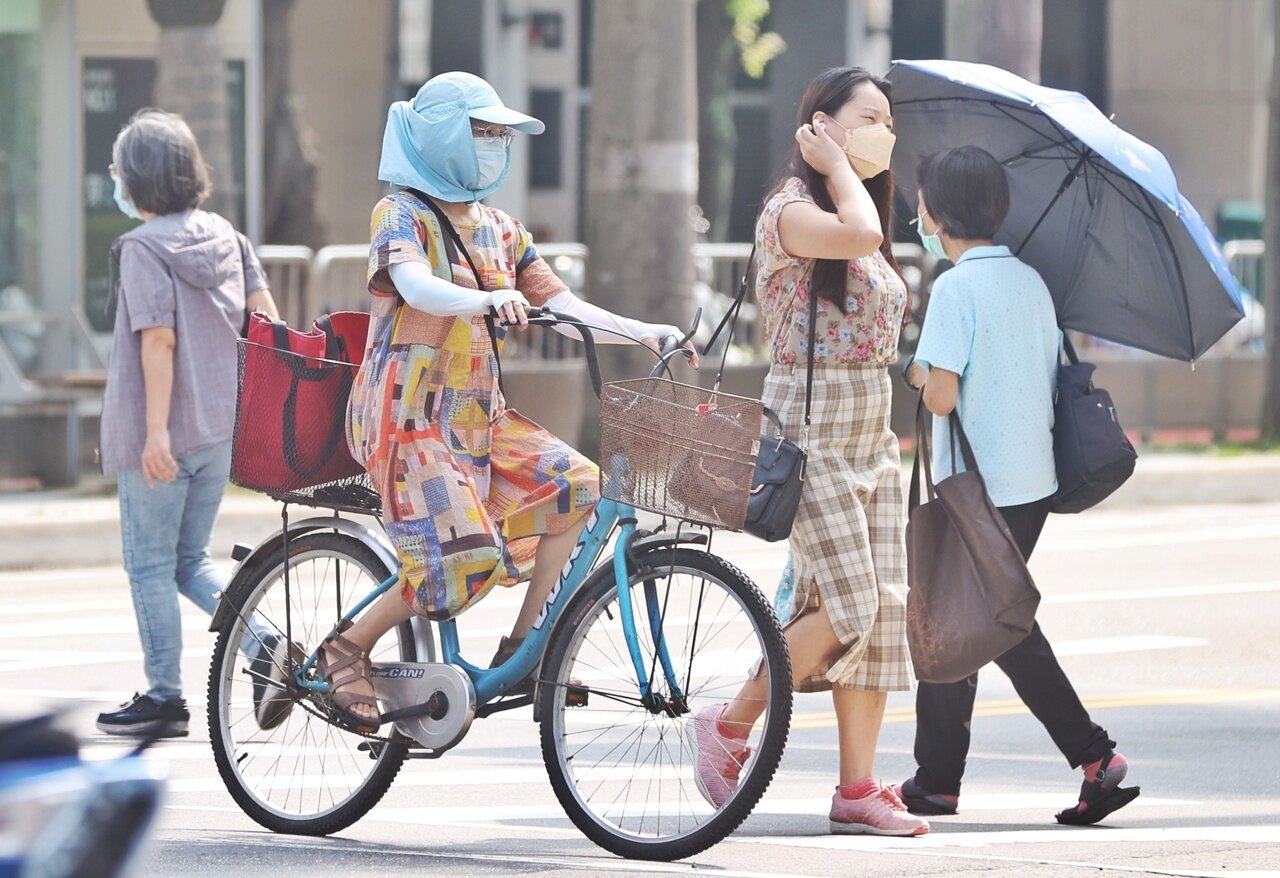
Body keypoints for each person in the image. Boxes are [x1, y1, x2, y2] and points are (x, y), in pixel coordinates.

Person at [326, 71, 694, 730]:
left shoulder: (501, 228)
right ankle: (347, 647)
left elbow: (563, 305)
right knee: (464, 559)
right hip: (406, 419)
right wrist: (487, 297)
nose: (495, 143)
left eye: (500, 133)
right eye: (482, 131)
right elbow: (415, 285)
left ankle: (525, 651)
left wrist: (643, 332)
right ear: (439, 135)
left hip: (481, 418)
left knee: (581, 489)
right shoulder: (400, 214)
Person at [692, 67, 928, 837]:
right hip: (813, 427)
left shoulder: (855, 207)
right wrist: (834, 168)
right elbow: (859, 236)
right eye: (869, 117)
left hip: (872, 428)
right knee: (850, 607)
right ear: (819, 125)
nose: (884, 133)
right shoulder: (791, 210)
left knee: (880, 612)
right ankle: (729, 722)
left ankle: (857, 789)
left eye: (889, 121)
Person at [896, 145, 1136, 825]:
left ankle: (1096, 757)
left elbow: (942, 397)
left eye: (922, 203)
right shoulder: (1031, 281)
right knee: (961, 620)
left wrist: (916, 371)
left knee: (993, 623)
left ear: (940, 214)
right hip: (1031, 484)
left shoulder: (955, 288)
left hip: (977, 488)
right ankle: (936, 780)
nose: (917, 214)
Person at [97, 109, 282, 738]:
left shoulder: (143, 248)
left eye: (119, 171)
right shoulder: (227, 236)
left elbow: (158, 341)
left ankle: (164, 698)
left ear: (138, 178)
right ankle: (264, 643)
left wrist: (155, 434)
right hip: (220, 430)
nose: (116, 180)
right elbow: (267, 322)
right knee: (188, 559)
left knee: (150, 566)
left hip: (164, 436)